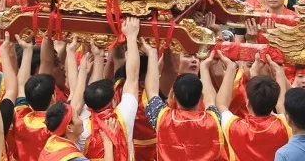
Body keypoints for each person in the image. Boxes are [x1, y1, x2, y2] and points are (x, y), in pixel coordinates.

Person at [143, 44, 227, 161]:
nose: (193, 60)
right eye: (187, 56)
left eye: (195, 57)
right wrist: (204, 67)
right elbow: (210, 100)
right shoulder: (213, 119)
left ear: (174, 97)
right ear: (201, 96)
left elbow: (151, 91)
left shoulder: (162, 118)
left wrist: (152, 54)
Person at [78, 18, 140, 160]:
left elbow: (94, 90)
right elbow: (133, 77)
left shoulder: (81, 125)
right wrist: (131, 37)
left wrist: (98, 57)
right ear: (113, 100)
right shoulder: (123, 116)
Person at [216, 59, 291, 161]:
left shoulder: (235, 127)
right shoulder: (285, 125)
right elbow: (281, 105)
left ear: (247, 103)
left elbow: (221, 104)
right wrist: (279, 72)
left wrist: (231, 67)